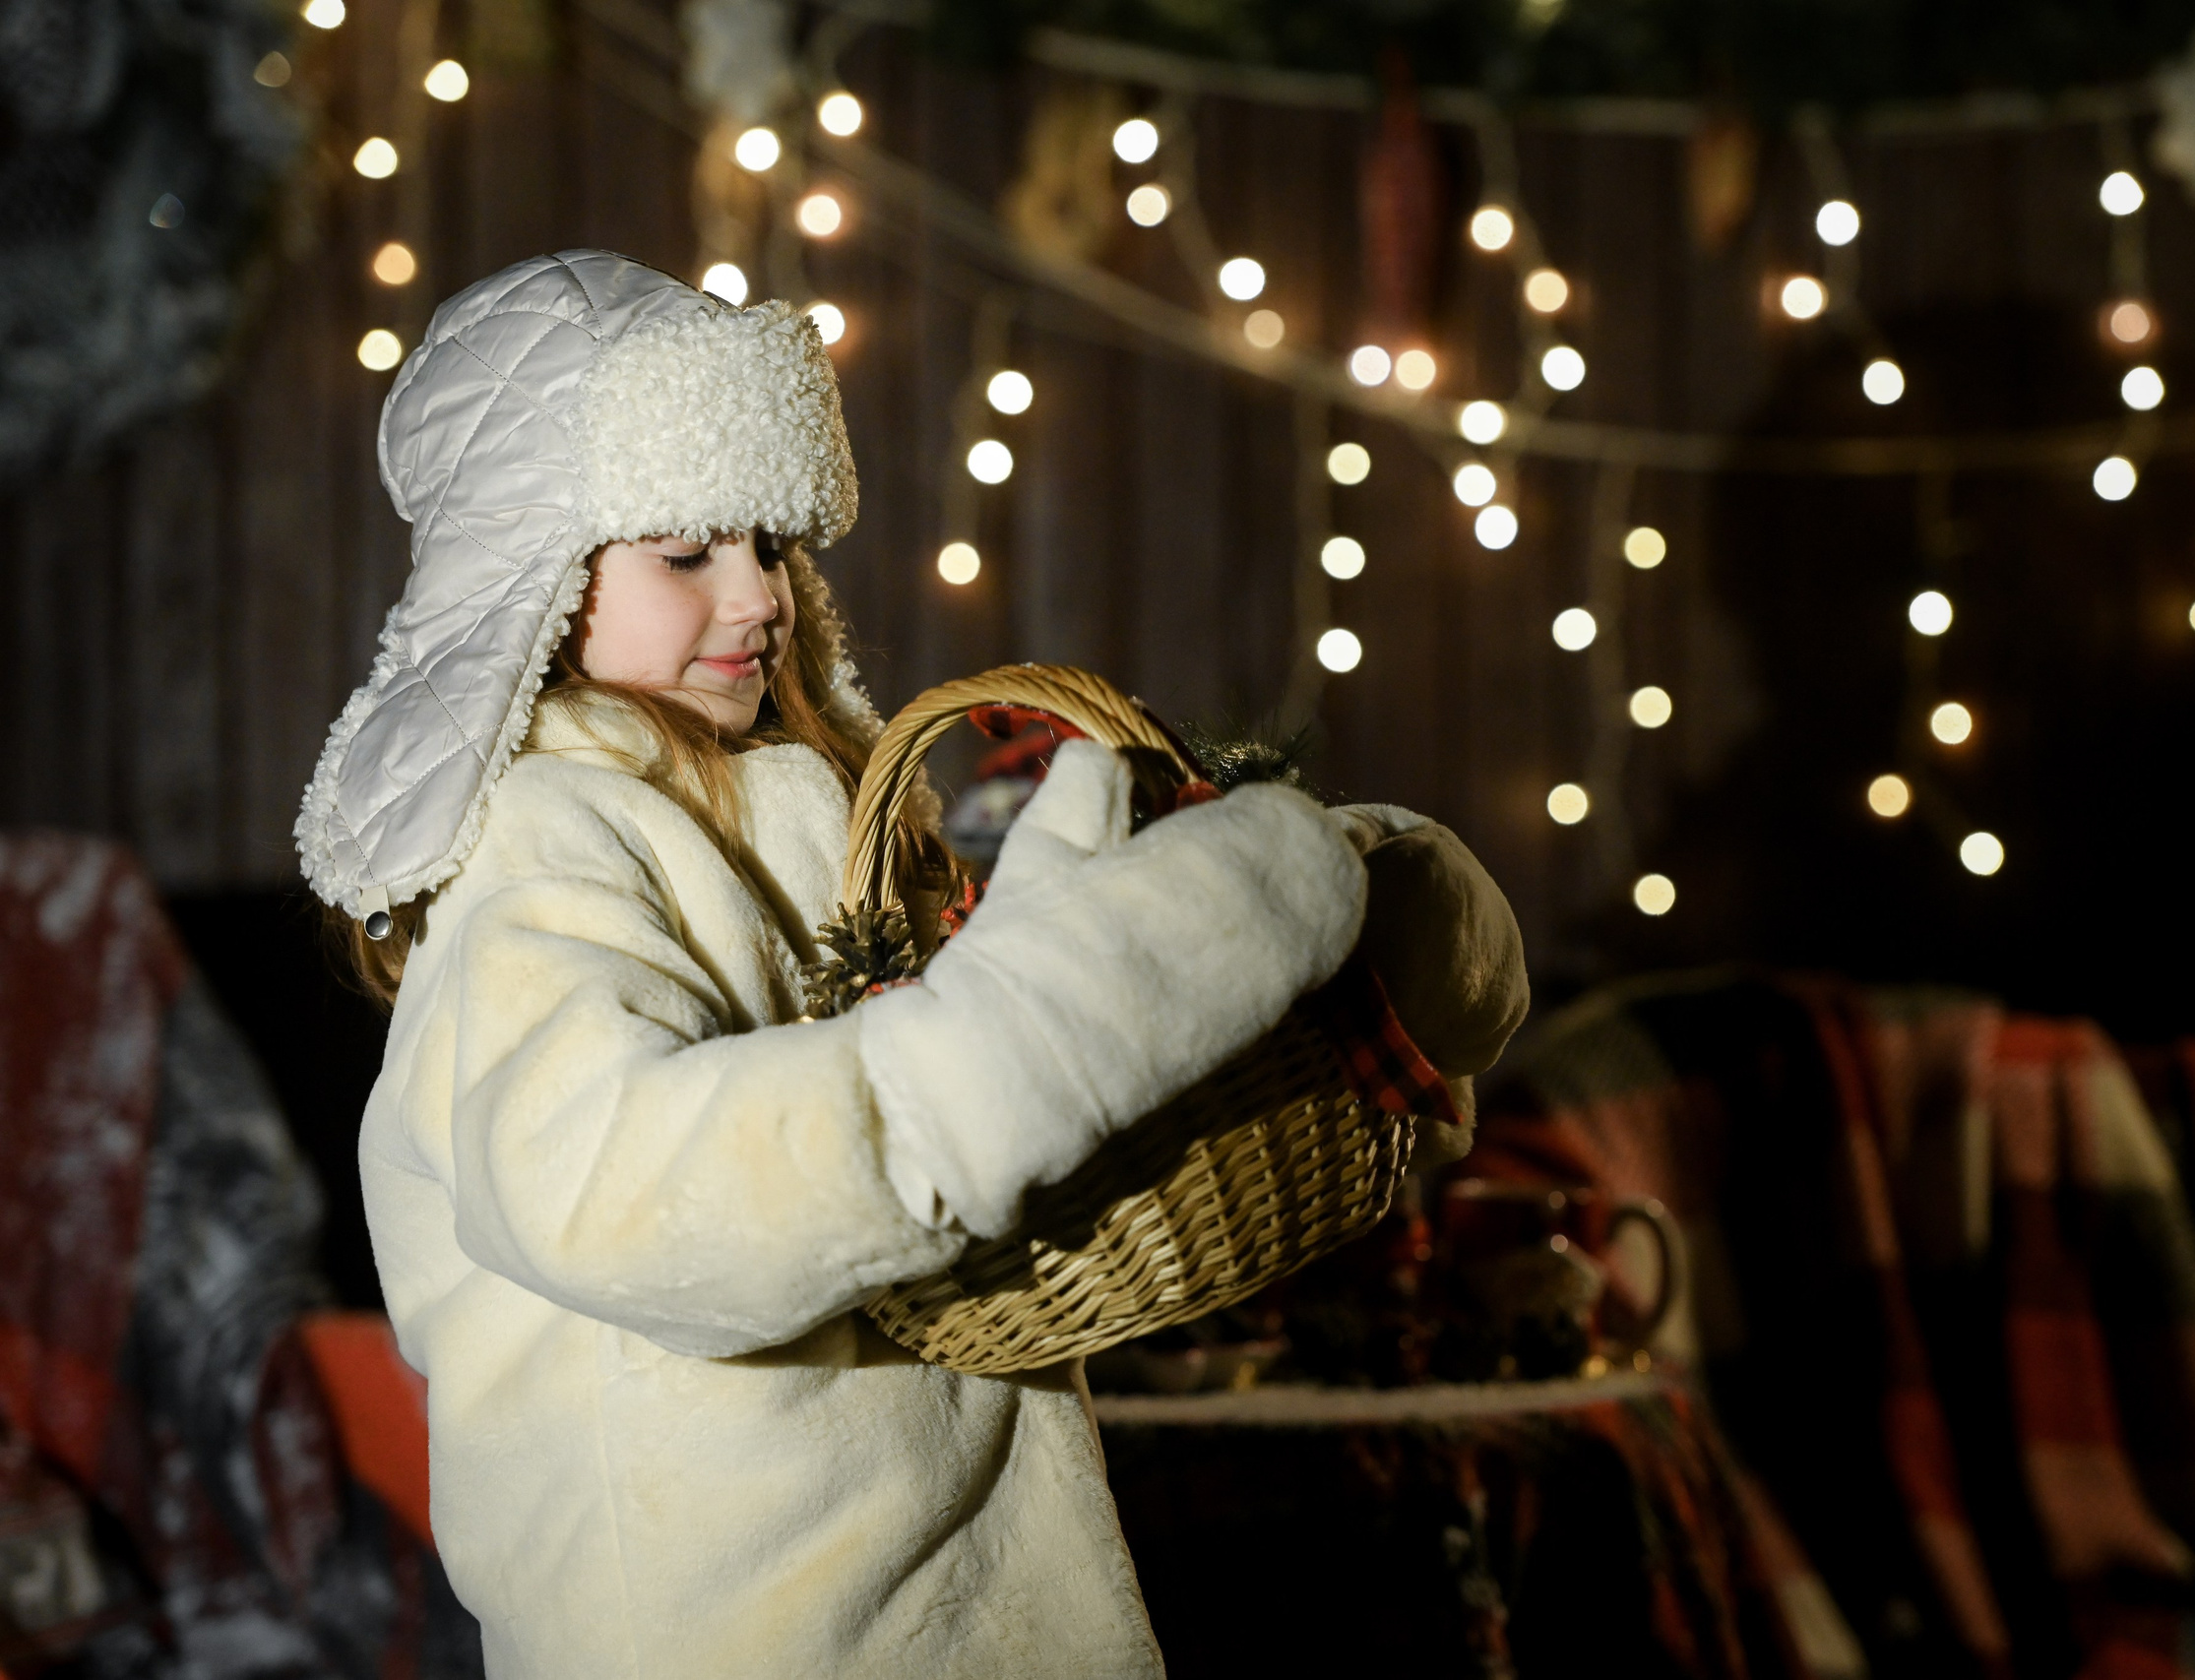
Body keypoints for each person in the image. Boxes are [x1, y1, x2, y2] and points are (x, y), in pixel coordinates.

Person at [296, 250, 1524, 1677]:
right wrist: (1013, 1055)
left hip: (945, 1587)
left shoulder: (815, 806)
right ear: (536, 580)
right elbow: (611, 1185)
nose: (755, 595)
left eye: (770, 542)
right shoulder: (540, 845)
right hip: (729, 1621)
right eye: (685, 552)